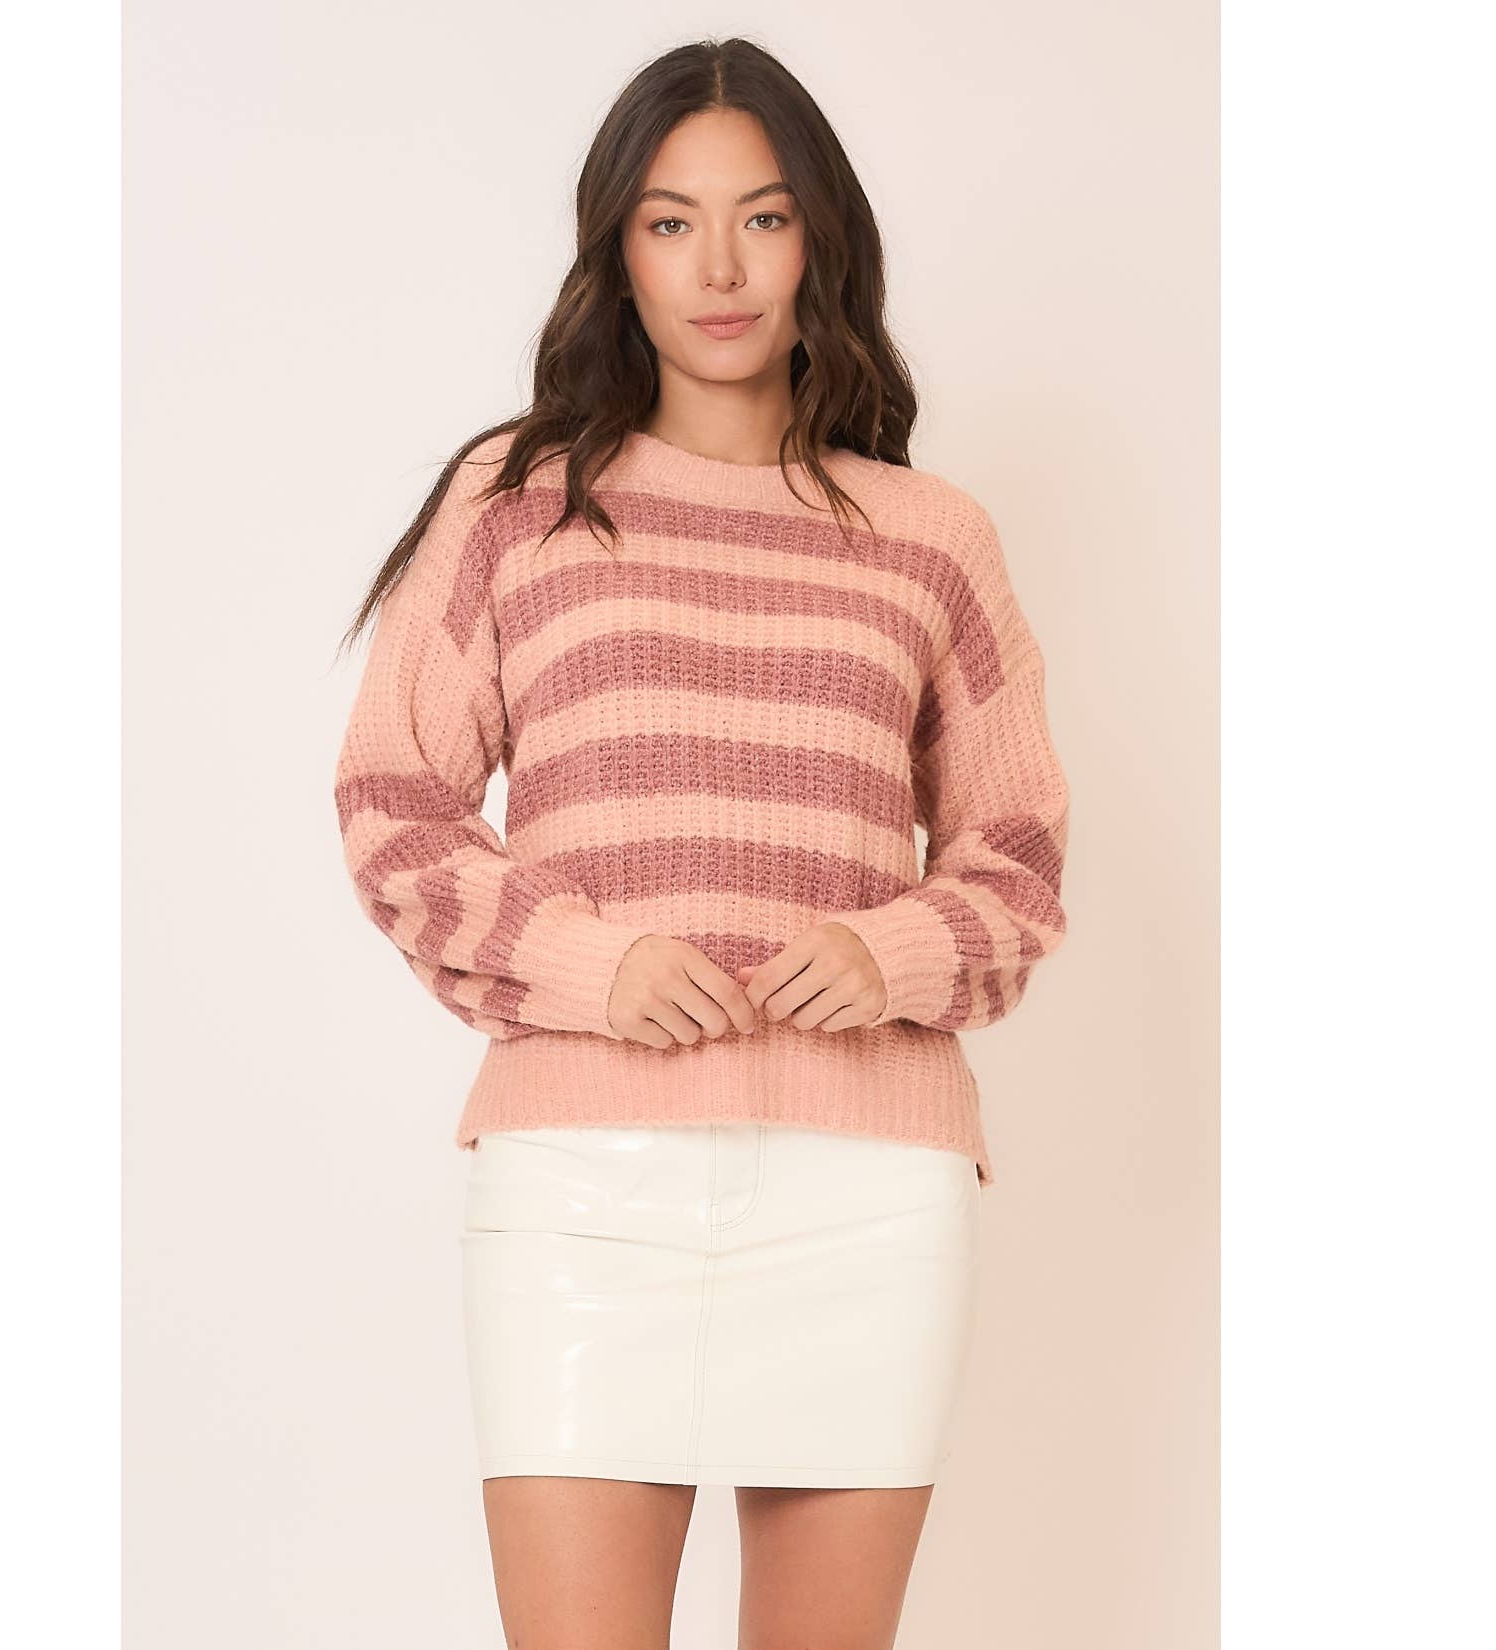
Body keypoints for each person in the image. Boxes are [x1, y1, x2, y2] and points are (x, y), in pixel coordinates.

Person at [331, 36, 1070, 1650]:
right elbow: (392, 801)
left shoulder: (931, 537)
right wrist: (584, 964)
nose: (719, 269)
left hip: (867, 1191)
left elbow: (1017, 856)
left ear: (819, 240)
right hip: (581, 1188)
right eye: (670, 223)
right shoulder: (517, 502)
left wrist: (890, 946)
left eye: (763, 217)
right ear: (617, 251)